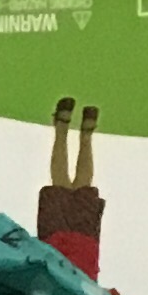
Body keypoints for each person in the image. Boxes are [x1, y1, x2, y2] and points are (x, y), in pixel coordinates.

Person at [35, 95, 105, 280]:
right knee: (65, 186)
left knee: (77, 186)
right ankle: (67, 128)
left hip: (78, 250)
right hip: (64, 251)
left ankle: (79, 130)